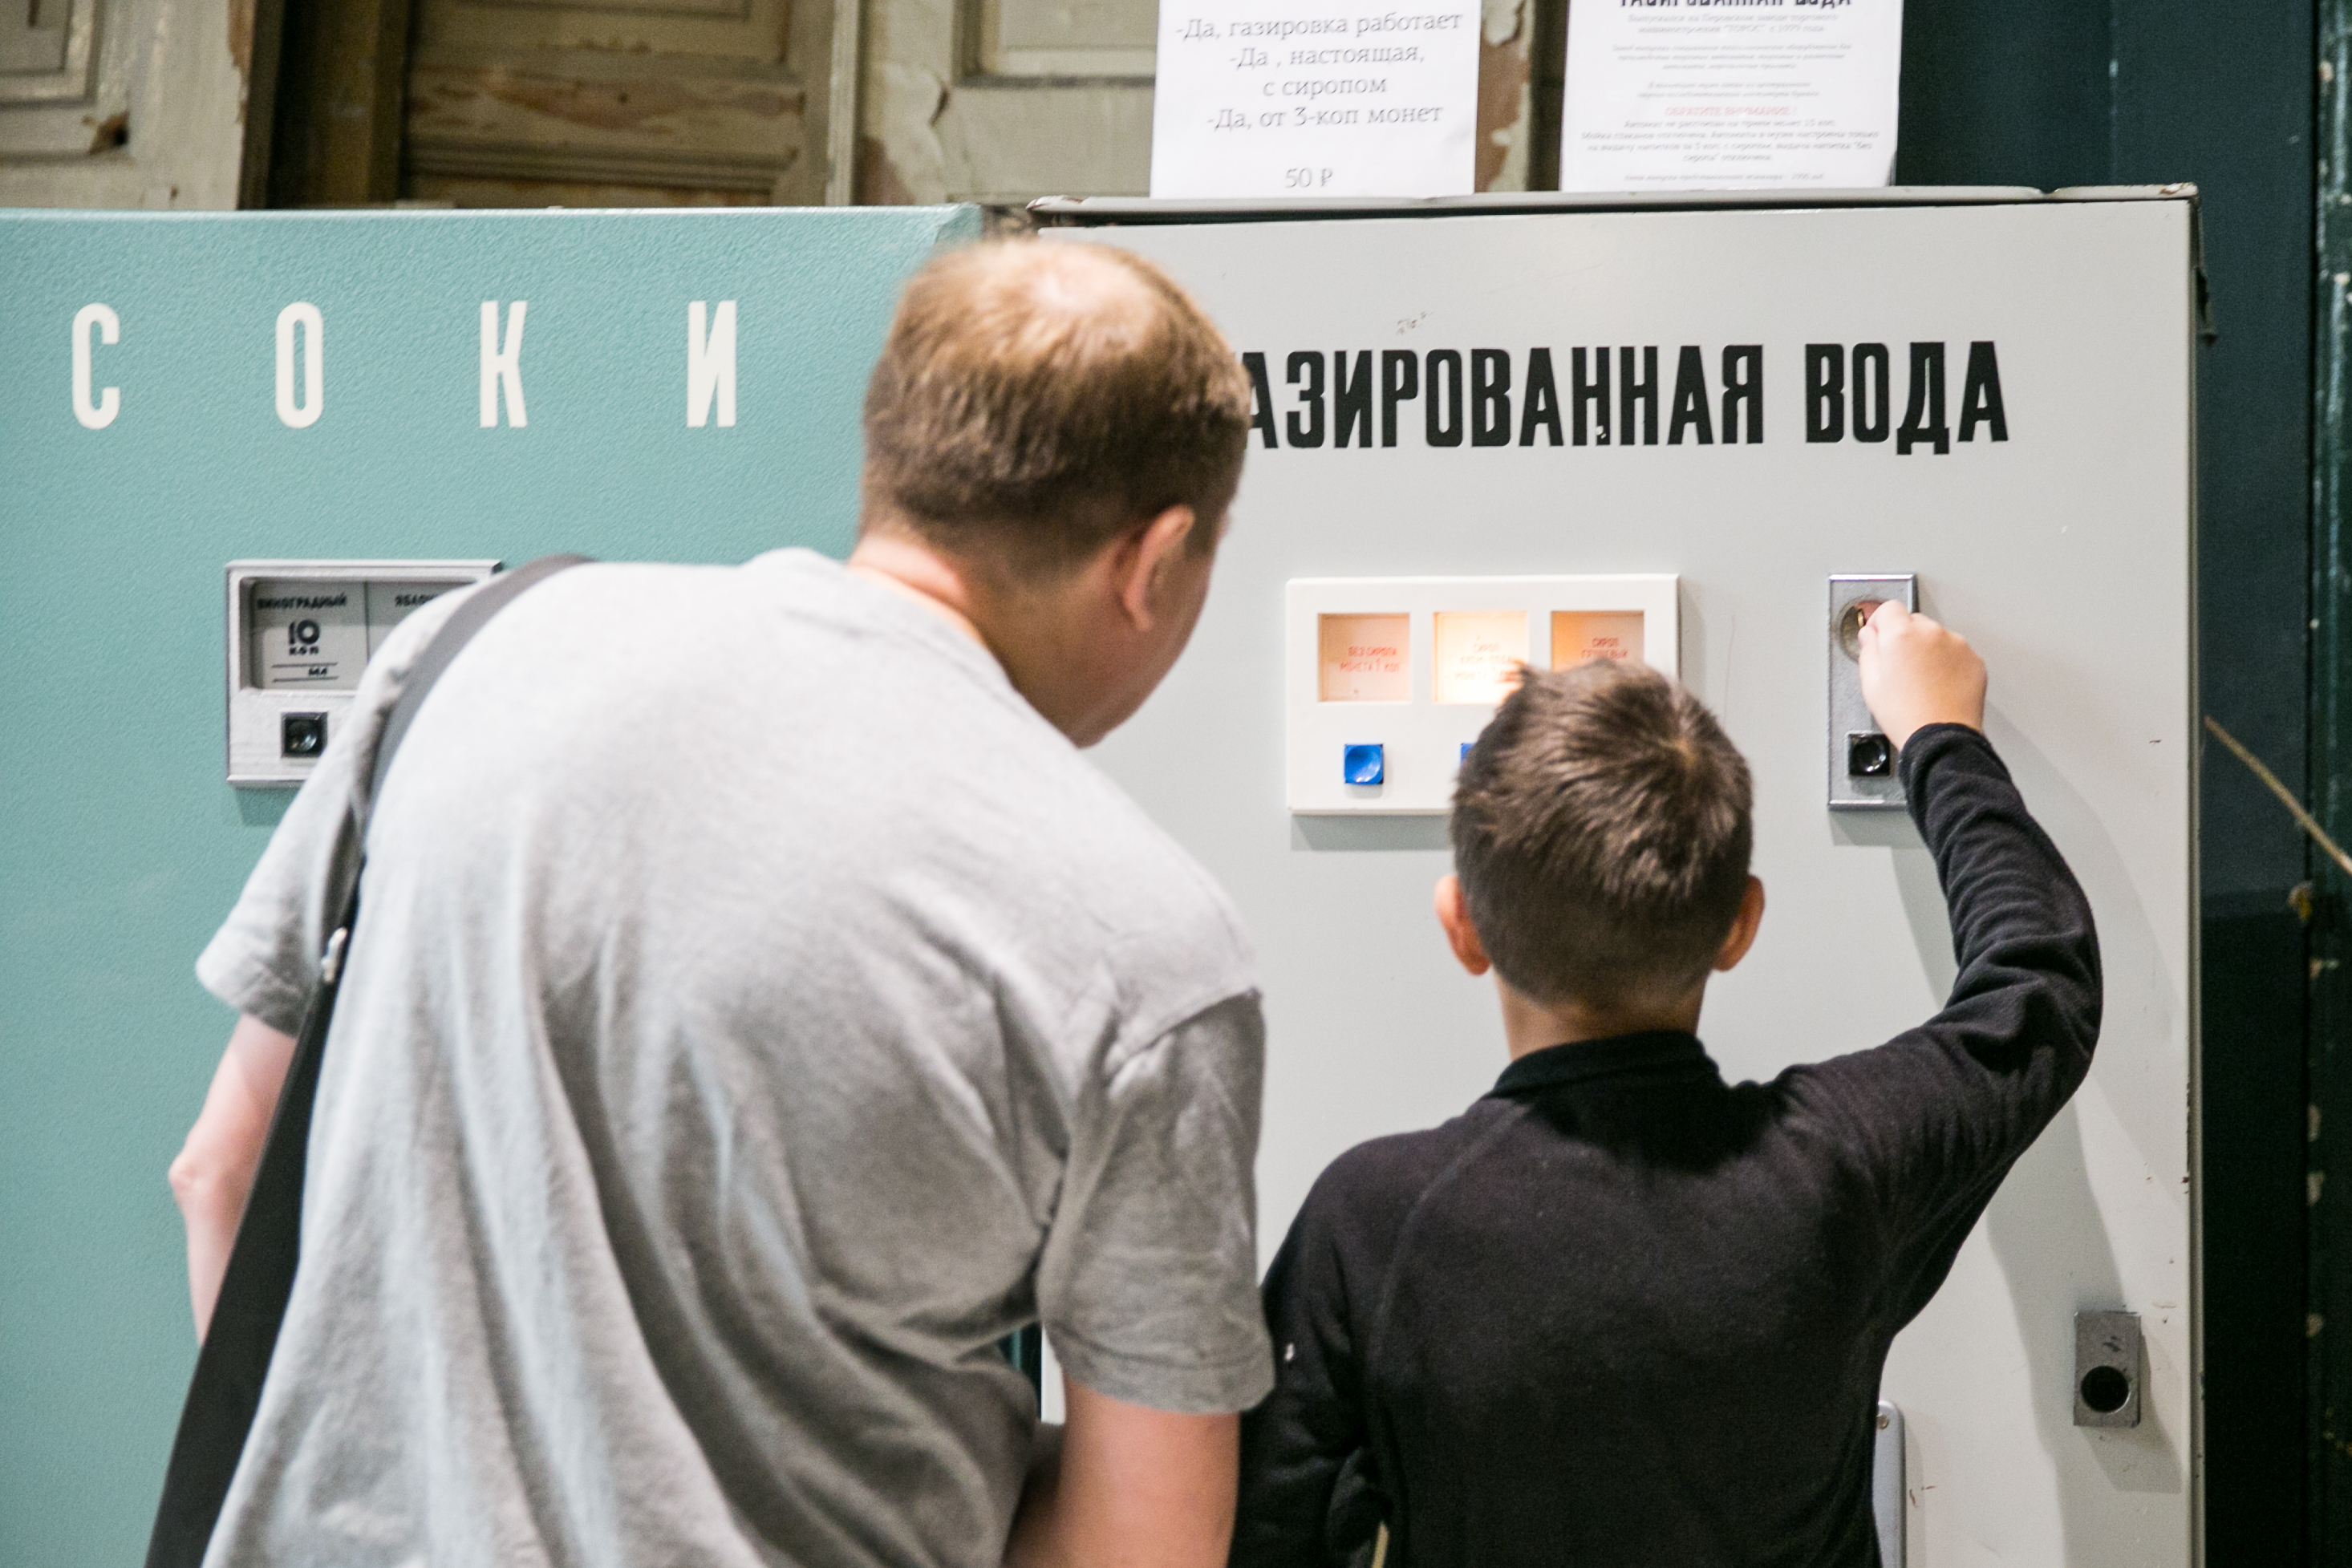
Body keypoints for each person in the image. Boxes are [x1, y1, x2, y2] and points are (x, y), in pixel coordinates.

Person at [169, 239, 1275, 1568]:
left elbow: (222, 1165)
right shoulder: (1141, 947)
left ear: (894, 459)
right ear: (1154, 560)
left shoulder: (465, 657)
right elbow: (1142, 1541)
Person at [1230, 603, 2101, 1568]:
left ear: (1462, 924)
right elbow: (2040, 987)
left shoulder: (1371, 1224)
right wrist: (1939, 736)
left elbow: (1258, 1533)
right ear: (1740, 924)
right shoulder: (1842, 1164)